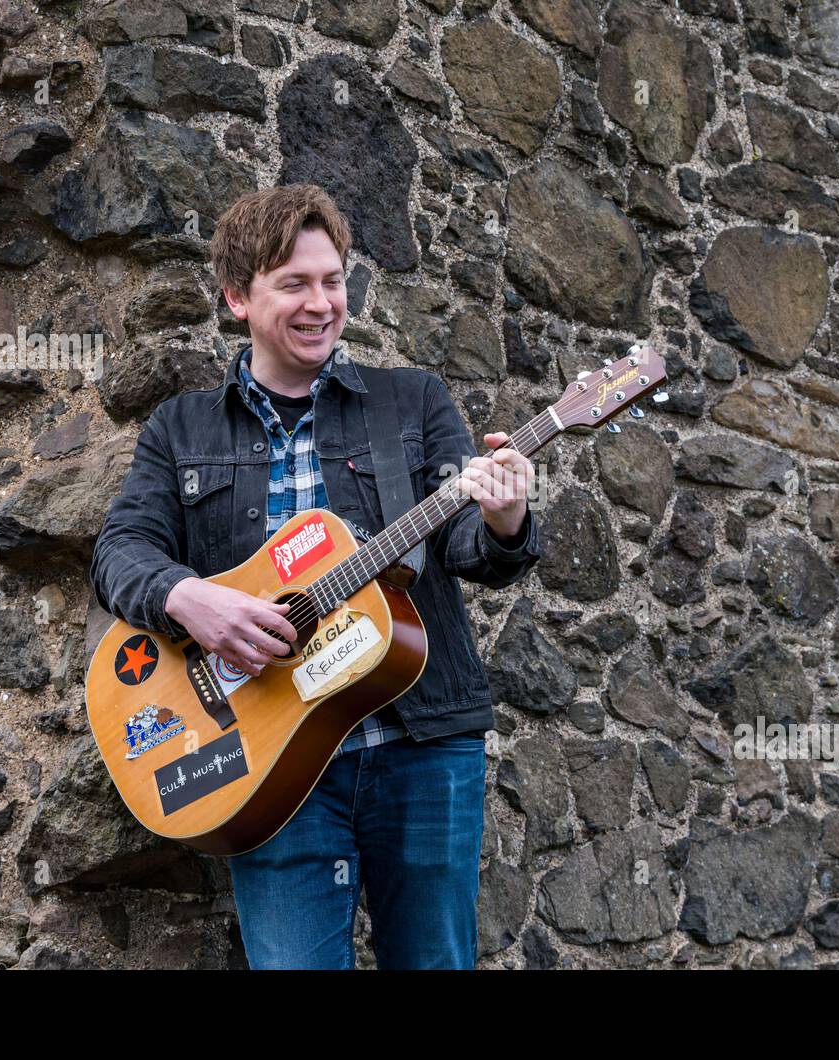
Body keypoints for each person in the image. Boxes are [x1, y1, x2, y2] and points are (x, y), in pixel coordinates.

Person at [89, 184, 542, 969]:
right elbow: (120, 549)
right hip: (271, 762)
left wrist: (504, 519)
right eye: (294, 284)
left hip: (421, 744)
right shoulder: (182, 428)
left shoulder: (412, 402)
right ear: (237, 297)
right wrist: (191, 600)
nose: (320, 303)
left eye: (332, 281)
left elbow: (470, 546)